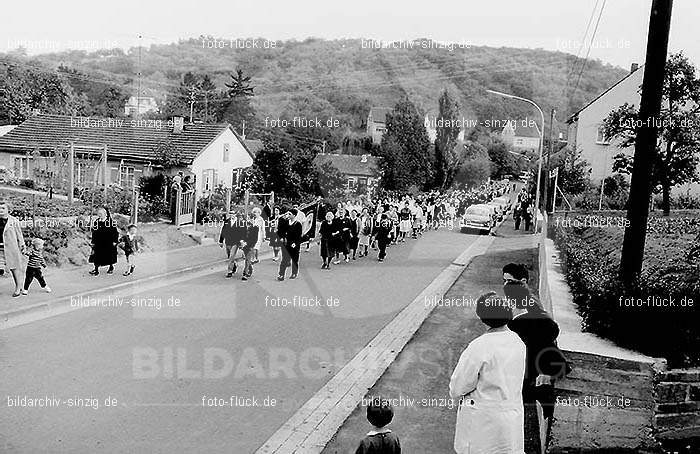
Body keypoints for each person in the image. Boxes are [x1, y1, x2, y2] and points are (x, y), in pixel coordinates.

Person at [449, 292, 526, 454]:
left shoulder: (479, 346)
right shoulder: (518, 342)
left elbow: (458, 387)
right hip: (511, 417)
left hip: (482, 421)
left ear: (482, 318)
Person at [504, 277, 566, 453]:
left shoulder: (514, 325)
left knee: (518, 415)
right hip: (549, 368)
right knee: (545, 408)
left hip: (525, 375)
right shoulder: (543, 318)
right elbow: (554, 332)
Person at [0, 197, 26, 297]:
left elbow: (19, 235)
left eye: (3, 208)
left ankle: (18, 287)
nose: (0, 210)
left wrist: (22, 245)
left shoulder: (13, 221)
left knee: (14, 268)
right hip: (0, 249)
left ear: (8, 210)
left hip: (11, 248)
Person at [89, 206, 119, 276]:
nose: (99, 215)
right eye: (98, 213)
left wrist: (115, 241)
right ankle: (96, 270)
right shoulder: (97, 222)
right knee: (97, 255)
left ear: (105, 214)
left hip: (108, 242)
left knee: (109, 255)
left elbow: (115, 232)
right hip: (98, 242)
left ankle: (111, 267)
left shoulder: (110, 222)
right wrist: (93, 242)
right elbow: (94, 232)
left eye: (101, 213)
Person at [219, 211, 246, 278]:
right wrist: (221, 241)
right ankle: (234, 264)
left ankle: (229, 271)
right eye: (230, 214)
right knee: (229, 256)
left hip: (235, 242)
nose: (231, 215)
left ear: (235, 215)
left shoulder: (239, 222)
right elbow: (223, 231)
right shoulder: (227, 221)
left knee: (231, 256)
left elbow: (243, 231)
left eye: (233, 214)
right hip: (228, 241)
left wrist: (242, 240)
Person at [278, 209, 302, 281]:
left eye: (290, 214)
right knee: (284, 260)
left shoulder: (298, 224)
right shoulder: (285, 222)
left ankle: (294, 273)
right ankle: (281, 274)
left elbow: (298, 236)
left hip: (294, 245)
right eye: (287, 214)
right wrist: (281, 237)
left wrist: (295, 243)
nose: (288, 215)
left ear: (294, 215)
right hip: (286, 243)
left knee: (294, 259)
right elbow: (280, 231)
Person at [240, 213, 259, 281]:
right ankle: (250, 269)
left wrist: (248, 244)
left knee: (247, 260)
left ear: (254, 219)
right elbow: (242, 234)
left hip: (250, 246)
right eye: (248, 218)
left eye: (250, 218)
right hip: (244, 245)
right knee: (246, 259)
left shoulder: (256, 227)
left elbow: (255, 239)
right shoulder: (245, 226)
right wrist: (242, 241)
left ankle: (244, 274)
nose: (249, 220)